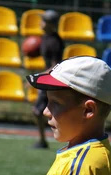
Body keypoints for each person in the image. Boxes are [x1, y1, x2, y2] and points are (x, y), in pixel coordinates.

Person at [31, 9, 64, 149]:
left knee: (39, 111)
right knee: (42, 112)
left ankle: (43, 141)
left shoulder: (55, 42)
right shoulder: (44, 38)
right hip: (48, 79)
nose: (41, 23)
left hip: (52, 80)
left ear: (51, 24)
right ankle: (43, 140)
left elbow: (55, 67)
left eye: (44, 20)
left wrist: (39, 78)